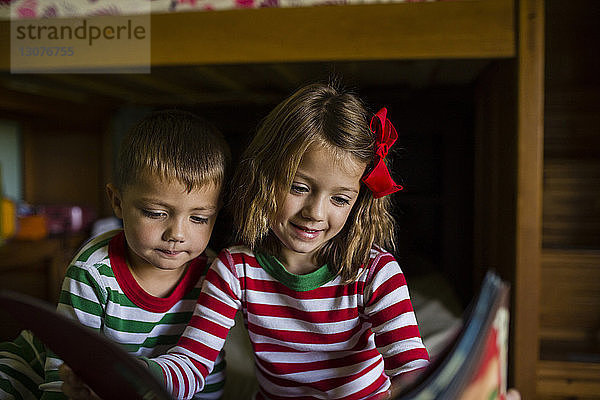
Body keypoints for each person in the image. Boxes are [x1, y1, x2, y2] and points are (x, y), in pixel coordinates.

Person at [137, 83, 430, 400]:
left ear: (358, 202)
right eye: (299, 188)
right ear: (264, 178)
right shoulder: (236, 269)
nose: (315, 213)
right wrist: (137, 374)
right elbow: (191, 364)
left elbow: (411, 370)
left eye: (340, 199)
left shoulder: (375, 273)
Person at [0, 109, 231, 400]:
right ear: (118, 202)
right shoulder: (93, 270)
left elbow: (205, 374)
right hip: (35, 366)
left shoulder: (217, 276)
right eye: (155, 213)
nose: (177, 233)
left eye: (199, 218)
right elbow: (60, 374)